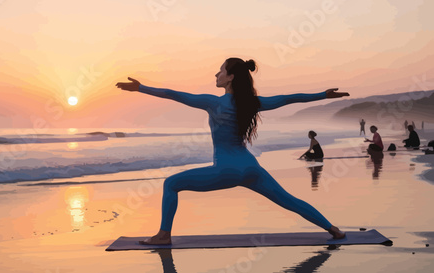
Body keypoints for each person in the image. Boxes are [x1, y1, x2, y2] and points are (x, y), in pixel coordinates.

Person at [115, 57, 349, 245]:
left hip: (226, 169)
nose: (216, 75)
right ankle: (334, 230)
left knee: (171, 184)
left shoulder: (213, 103)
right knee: (289, 200)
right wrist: (323, 95)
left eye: (220, 71)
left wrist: (141, 88)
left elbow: (174, 94)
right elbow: (289, 98)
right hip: (251, 168)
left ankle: (164, 235)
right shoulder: (253, 102)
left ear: (231, 77)